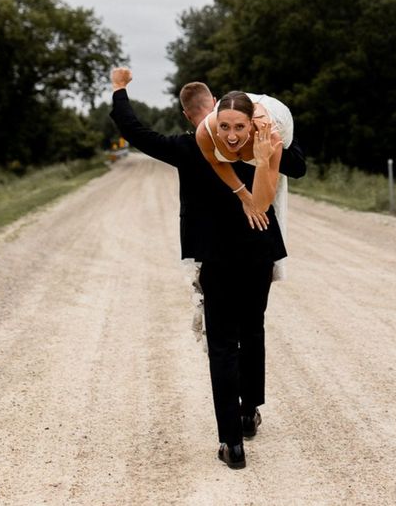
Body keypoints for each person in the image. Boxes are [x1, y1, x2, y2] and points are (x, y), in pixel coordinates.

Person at [109, 67, 306, 469]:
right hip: (258, 253)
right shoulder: (255, 137)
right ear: (215, 105)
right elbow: (299, 167)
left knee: (221, 343)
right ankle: (249, 413)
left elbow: (135, 131)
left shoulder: (185, 146)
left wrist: (120, 90)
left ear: (188, 115)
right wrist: (273, 142)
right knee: (252, 331)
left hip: (216, 258)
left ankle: (232, 444)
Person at [196, 90, 294, 279]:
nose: (231, 136)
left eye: (240, 127)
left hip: (277, 116)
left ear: (250, 125)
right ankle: (235, 115)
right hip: (242, 109)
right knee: (233, 115)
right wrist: (242, 193)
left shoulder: (273, 137)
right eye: (224, 126)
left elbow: (261, 205)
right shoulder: (204, 132)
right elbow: (216, 162)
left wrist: (263, 161)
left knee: (290, 170)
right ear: (217, 122)